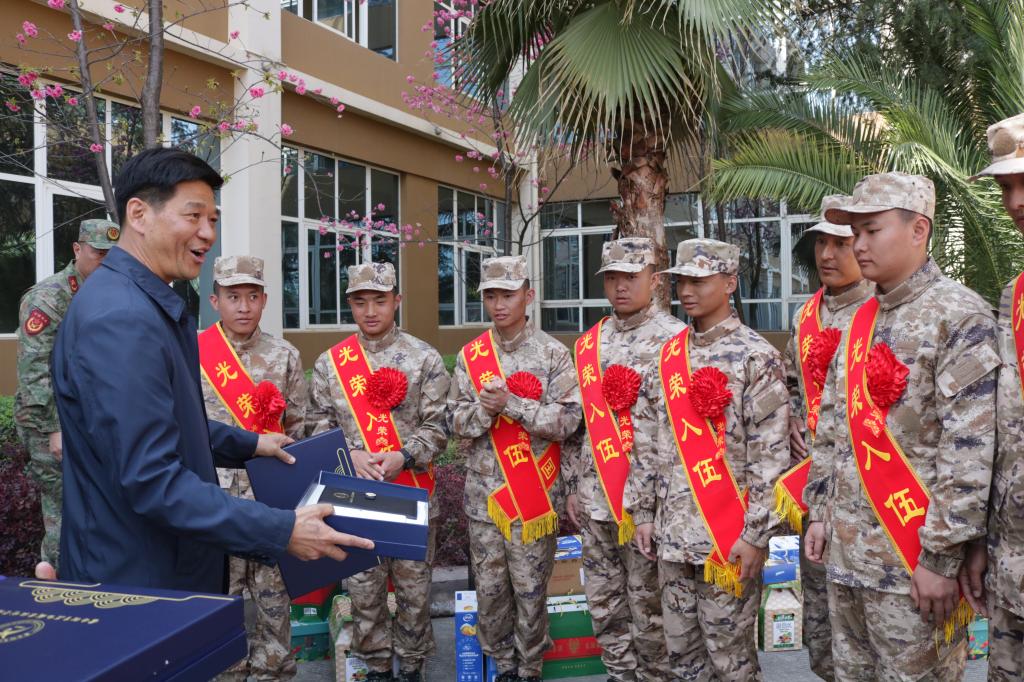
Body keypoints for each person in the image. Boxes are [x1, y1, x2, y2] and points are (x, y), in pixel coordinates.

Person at [49, 146, 372, 593]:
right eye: (194, 216)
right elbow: (152, 479)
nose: (207, 233)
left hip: (153, 566)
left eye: (213, 219)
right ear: (139, 214)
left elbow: (168, 426)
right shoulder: (121, 318)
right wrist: (282, 530)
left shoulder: (140, 301)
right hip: (139, 582)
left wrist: (251, 445)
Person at [804, 172, 999, 680]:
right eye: (856, 233)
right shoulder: (857, 321)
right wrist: (819, 512)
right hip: (848, 559)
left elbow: (970, 449)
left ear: (918, 230)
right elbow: (832, 427)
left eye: (871, 231)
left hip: (912, 568)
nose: (858, 245)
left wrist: (939, 559)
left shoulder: (960, 316)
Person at [627, 238, 789, 680]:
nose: (687, 290)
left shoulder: (757, 357)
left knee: (730, 660)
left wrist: (756, 535)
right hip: (672, 536)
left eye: (699, 280)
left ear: (730, 282)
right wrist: (643, 513)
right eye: (681, 281)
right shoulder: (666, 357)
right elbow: (646, 439)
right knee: (681, 657)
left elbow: (770, 455)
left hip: (728, 538)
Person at [307, 262, 449, 682]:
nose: (370, 311)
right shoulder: (331, 364)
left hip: (410, 491)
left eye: (379, 301)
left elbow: (440, 425)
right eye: (360, 302)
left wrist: (404, 455)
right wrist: (349, 453)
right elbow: (315, 425)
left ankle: (413, 668)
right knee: (364, 593)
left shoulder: (424, 358)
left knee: (414, 593)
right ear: (350, 304)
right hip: (354, 499)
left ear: (397, 301)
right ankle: (377, 668)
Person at [447, 255, 582, 682]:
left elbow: (569, 421)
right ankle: (503, 665)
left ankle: (530, 667)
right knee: (490, 592)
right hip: (484, 499)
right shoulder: (471, 356)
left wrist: (513, 405)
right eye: (491, 296)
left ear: (529, 295)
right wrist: (485, 413)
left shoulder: (553, 354)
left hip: (533, 497)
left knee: (530, 590)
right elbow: (454, 420)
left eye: (508, 294)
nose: (499, 304)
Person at [563, 237, 677, 682]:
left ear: (654, 279)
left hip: (648, 502)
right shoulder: (590, 344)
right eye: (611, 277)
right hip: (595, 498)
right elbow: (577, 426)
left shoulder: (676, 340)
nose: (620, 286)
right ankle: (618, 673)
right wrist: (573, 485)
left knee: (649, 605)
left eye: (631, 276)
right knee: (604, 602)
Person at [198, 255, 309, 681]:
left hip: (270, 501)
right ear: (215, 301)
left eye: (251, 296)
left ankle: (273, 672)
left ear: (264, 300)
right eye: (232, 297)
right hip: (213, 502)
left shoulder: (284, 356)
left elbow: (299, 430)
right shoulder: (192, 353)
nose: (243, 307)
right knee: (218, 604)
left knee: (274, 602)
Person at [778, 196, 873, 681]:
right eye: (821, 243)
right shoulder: (806, 316)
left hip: (873, 493)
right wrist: (793, 418)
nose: (827, 255)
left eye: (841, 243)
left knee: (873, 634)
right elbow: (792, 384)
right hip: (815, 492)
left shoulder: (880, 309)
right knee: (821, 628)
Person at [14, 218, 119, 569]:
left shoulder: (107, 295)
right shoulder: (48, 298)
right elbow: (34, 372)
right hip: (50, 423)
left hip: (87, 419)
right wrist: (53, 429)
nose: (105, 261)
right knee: (65, 508)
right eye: (98, 253)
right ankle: (57, 584)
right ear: (77, 250)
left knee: (92, 508)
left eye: (111, 255)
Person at [960, 112, 1024, 680]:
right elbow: (1001, 428)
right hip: (1013, 563)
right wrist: (980, 541)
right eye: (1006, 187)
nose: (1016, 201)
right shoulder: (1013, 297)